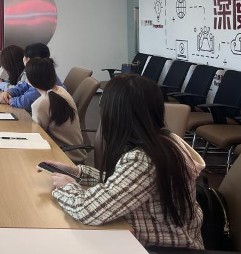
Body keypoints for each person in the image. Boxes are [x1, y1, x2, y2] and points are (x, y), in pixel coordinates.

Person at [40, 74, 204, 249]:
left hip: (161, 249)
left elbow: (86, 210)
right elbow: (122, 182)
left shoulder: (144, 160)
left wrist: (67, 186)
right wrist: (77, 173)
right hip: (162, 240)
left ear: (115, 115)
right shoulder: (164, 140)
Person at [22, 58, 86, 163]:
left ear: (30, 80)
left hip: (64, 157)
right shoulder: (61, 91)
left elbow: (37, 137)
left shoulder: (41, 104)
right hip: (75, 152)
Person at [0, 43, 64, 107]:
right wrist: (8, 92)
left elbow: (26, 101)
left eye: (24, 56)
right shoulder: (44, 71)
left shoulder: (41, 76)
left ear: (28, 60)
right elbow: (22, 87)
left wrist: (10, 100)